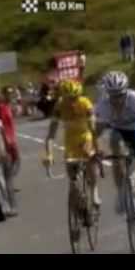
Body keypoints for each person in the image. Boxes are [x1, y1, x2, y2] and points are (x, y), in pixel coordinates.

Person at [94, 72, 135, 235]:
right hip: (118, 131)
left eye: (120, 95)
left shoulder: (134, 98)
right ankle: (121, 191)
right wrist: (97, 148)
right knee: (116, 152)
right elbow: (96, 132)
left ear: (126, 92)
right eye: (113, 96)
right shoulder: (103, 104)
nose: (116, 100)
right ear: (107, 94)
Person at [43, 79, 102, 210]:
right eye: (68, 98)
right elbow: (50, 135)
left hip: (85, 136)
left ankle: (94, 190)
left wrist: (96, 149)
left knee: (89, 157)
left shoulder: (85, 103)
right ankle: (76, 199)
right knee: (72, 177)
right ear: (63, 97)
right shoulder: (59, 106)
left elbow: (93, 130)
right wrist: (49, 154)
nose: (72, 101)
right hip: (70, 141)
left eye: (75, 97)